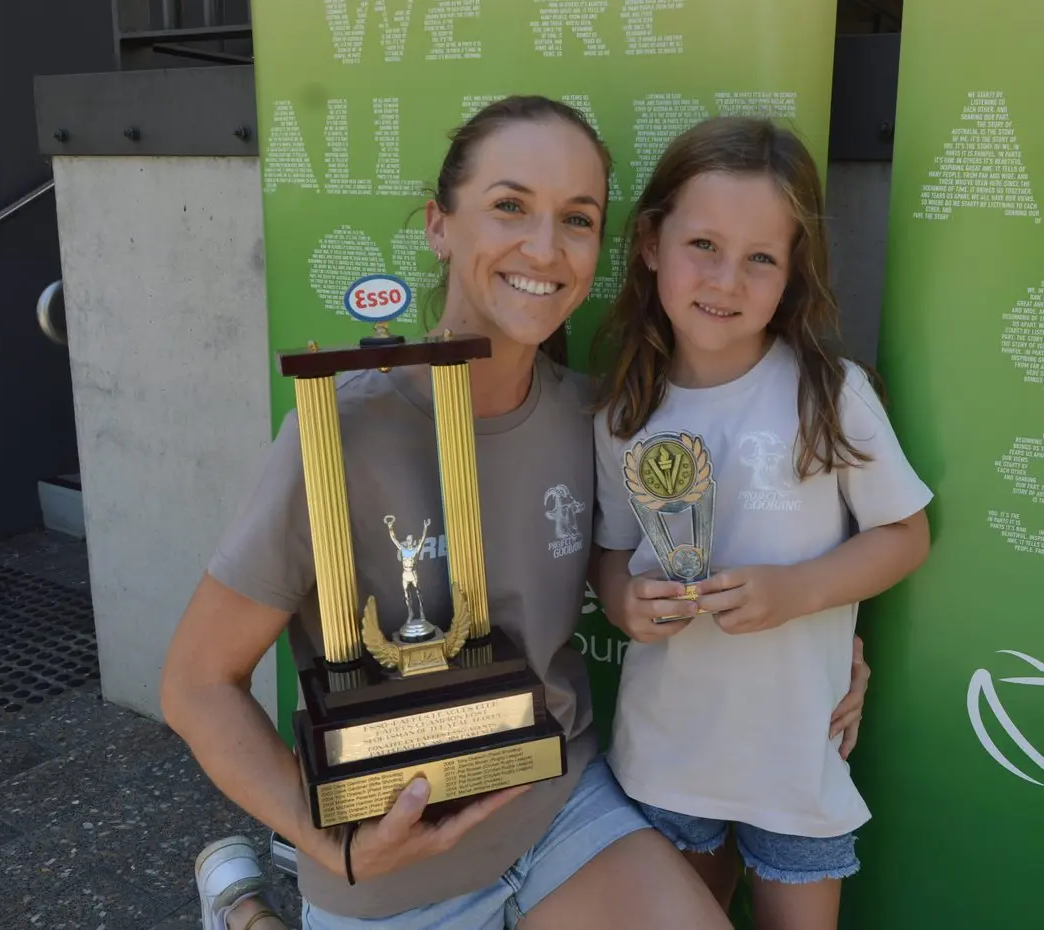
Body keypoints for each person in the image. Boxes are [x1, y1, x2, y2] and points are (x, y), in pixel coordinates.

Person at [160, 96, 873, 930]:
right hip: (395, 867)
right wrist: (329, 848)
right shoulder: (335, 433)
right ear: (439, 225)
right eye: (509, 206)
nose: (543, 247)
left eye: (575, 219)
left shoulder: (602, 417)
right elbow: (197, 684)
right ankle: (245, 906)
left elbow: (710, 555)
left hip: (562, 809)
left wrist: (828, 656)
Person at [590, 116, 932, 930]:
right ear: (648, 243)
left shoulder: (829, 395)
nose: (727, 280)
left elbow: (904, 535)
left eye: (760, 259)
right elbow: (608, 558)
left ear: (792, 274)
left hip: (792, 759)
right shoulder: (620, 414)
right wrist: (624, 603)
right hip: (665, 758)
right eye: (702, 245)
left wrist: (797, 591)